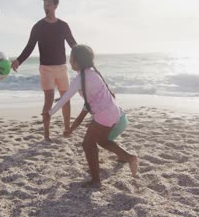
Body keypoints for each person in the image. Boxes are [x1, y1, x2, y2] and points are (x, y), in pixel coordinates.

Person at [46, 44, 138, 187]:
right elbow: (77, 95)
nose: (70, 62)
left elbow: (66, 98)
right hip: (113, 112)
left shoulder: (81, 77)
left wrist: (49, 113)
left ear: (78, 61)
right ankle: (130, 158)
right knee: (102, 141)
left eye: (72, 59)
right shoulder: (93, 73)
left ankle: (96, 180)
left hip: (104, 114)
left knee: (88, 144)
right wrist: (60, 103)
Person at [11, 0, 77, 141]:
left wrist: (84, 56)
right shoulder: (38, 26)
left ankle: (67, 129)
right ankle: (47, 134)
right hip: (46, 68)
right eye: (44, 4)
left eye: (49, 4)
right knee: (49, 99)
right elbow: (29, 46)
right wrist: (18, 61)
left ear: (55, 6)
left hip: (61, 67)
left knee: (65, 98)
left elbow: (73, 44)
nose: (46, 7)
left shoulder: (63, 26)